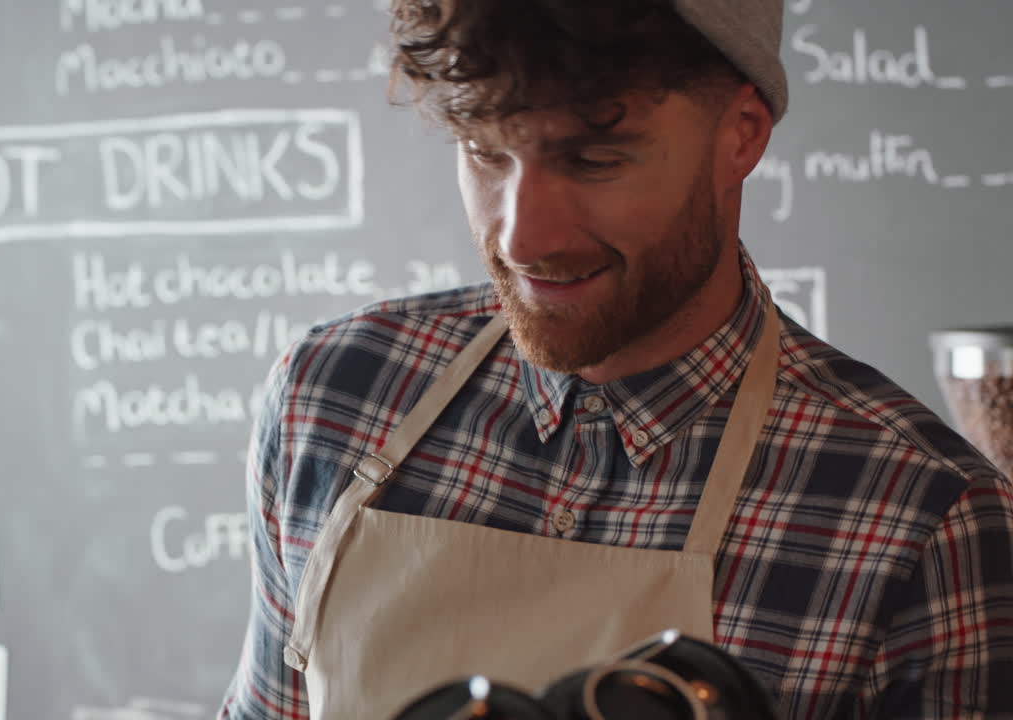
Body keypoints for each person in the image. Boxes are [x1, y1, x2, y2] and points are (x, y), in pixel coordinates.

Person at [218, 1, 1013, 718]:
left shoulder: (926, 521)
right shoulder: (330, 396)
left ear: (740, 136)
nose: (523, 239)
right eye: (484, 153)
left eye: (595, 161)